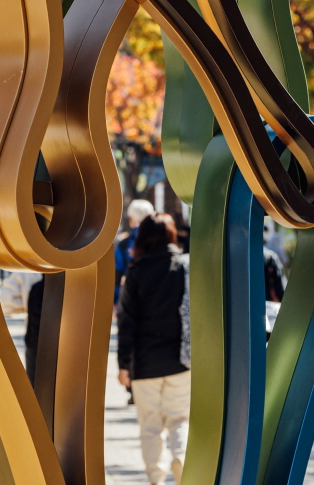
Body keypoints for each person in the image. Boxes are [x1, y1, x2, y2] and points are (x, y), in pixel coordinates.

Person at [116, 213, 191, 485]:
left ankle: (155, 478)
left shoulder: (136, 273)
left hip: (144, 362)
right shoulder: (185, 268)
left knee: (150, 425)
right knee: (180, 418)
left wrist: (124, 364)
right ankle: (180, 456)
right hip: (181, 360)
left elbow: (127, 322)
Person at [113, 199, 156, 307]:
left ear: (131, 219)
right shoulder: (161, 240)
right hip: (159, 300)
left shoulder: (125, 244)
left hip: (131, 300)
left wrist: (116, 301)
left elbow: (118, 271)